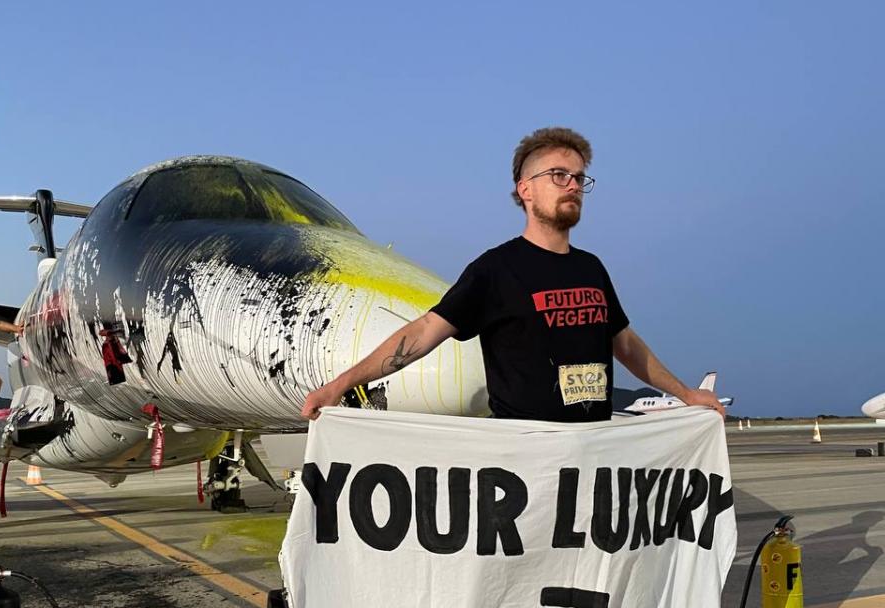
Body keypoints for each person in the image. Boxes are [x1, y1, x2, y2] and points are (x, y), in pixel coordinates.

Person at [301, 127, 723, 423]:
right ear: (525, 189)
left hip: (593, 452)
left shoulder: (591, 268)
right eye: (559, 175)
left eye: (579, 178)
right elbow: (423, 332)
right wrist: (340, 384)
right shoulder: (495, 270)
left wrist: (686, 394)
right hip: (525, 457)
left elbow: (626, 344)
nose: (573, 185)